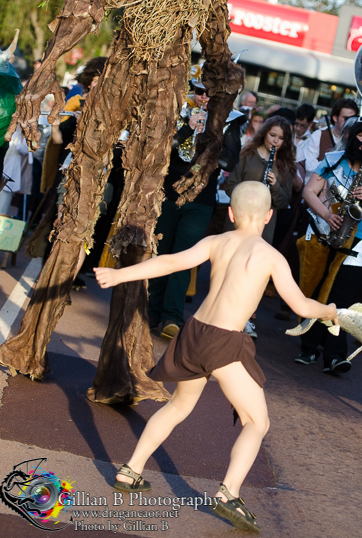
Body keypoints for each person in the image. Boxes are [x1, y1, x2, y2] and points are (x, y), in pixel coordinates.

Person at [94, 181, 337, 533]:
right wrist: (330, 311)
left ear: (231, 213)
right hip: (224, 342)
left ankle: (130, 470)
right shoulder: (270, 256)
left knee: (178, 406)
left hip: (193, 333)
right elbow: (300, 306)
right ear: (269, 216)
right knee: (258, 422)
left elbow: (169, 262)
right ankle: (229, 493)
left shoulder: (216, 242)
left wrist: (119, 274)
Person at [295, 116, 362, 373]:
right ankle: (309, 346)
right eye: (361, 136)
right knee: (317, 289)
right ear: (353, 136)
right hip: (327, 230)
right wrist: (327, 215)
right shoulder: (333, 160)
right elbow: (308, 192)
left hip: (361, 240)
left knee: (344, 299)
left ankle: (335, 354)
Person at [148, 77, 243, 339]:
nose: (204, 98)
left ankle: (171, 317)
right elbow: (162, 151)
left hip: (199, 201)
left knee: (182, 259)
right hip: (167, 195)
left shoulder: (230, 120)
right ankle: (151, 312)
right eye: (200, 92)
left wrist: (214, 132)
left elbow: (229, 162)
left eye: (211, 94)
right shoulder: (177, 110)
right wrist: (187, 129)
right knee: (161, 253)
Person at [225, 116, 295, 245]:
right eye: (272, 135)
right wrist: (250, 195)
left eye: (281, 138)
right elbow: (230, 186)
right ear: (264, 133)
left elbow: (284, 202)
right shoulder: (246, 154)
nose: (275, 141)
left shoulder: (286, 165)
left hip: (265, 225)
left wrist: (275, 185)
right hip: (239, 216)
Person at [300, 98, 359, 183]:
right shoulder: (319, 135)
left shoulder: (356, 140)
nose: (350, 122)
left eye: (353, 118)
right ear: (335, 118)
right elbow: (309, 165)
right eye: (346, 118)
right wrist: (331, 166)